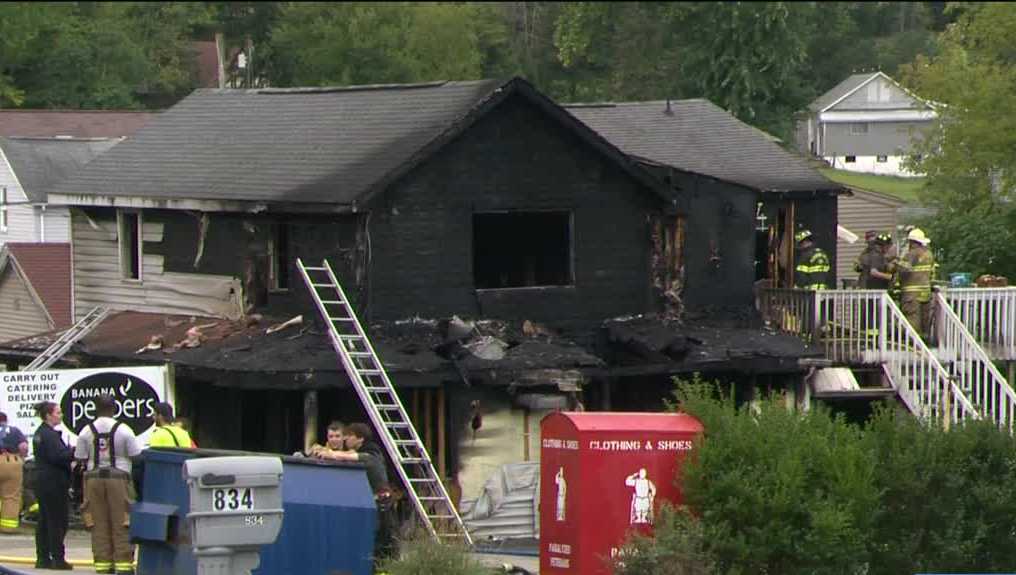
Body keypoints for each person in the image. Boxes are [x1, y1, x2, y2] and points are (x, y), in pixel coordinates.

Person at [75, 395, 142, 575]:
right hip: (119, 479)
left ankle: (103, 566)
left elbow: (80, 458)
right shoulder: (124, 430)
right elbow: (136, 456)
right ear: (114, 409)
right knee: (122, 522)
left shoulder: (86, 431)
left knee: (98, 524)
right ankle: (124, 567)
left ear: (96, 409)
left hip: (93, 480)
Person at [32, 401, 75, 570]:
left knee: (44, 521)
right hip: (53, 482)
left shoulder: (41, 433)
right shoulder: (49, 435)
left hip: (44, 482)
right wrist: (73, 452)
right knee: (57, 521)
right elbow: (58, 456)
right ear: (48, 415)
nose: (61, 415)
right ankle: (58, 558)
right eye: (58, 412)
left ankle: (42, 557)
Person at [889, 228, 936, 339]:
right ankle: (925, 339)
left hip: (912, 293)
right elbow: (932, 272)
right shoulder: (928, 254)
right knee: (925, 317)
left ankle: (913, 341)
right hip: (925, 292)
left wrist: (895, 262)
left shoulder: (912, 254)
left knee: (912, 317)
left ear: (912, 242)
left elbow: (905, 268)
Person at [0, 411, 29, 534]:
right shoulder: (14, 431)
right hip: (12, 462)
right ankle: (8, 528)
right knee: (11, 497)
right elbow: (24, 447)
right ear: (6, 421)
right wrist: (21, 458)